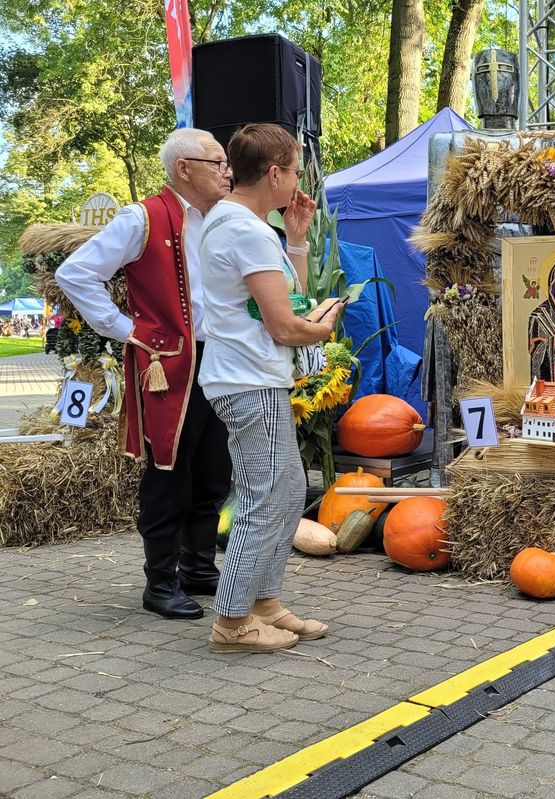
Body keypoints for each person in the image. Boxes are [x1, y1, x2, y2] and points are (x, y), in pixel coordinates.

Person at [55, 128, 233, 620]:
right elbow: (76, 272)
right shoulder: (142, 217)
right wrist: (126, 328)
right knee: (168, 472)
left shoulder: (224, 216)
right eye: (216, 161)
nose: (226, 170)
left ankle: (198, 567)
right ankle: (160, 582)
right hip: (168, 363)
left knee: (214, 469)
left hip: (219, 360)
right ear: (184, 168)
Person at [197, 123, 340, 654]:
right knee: (266, 496)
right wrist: (322, 330)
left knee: (286, 491)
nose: (300, 180)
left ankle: (265, 604)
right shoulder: (246, 230)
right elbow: (287, 325)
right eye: (297, 170)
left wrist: (298, 238)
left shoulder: (245, 225)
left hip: (250, 376)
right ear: (275, 173)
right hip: (249, 379)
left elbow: (290, 301)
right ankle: (232, 620)